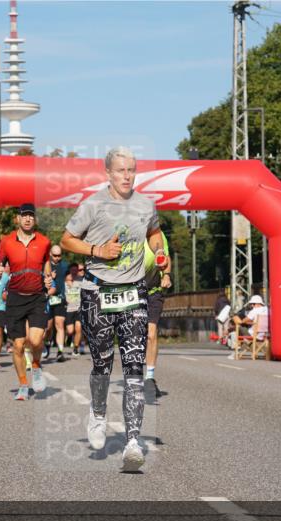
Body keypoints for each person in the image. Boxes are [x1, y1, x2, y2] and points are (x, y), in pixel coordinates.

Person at [60, 147, 166, 472]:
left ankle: (133, 442)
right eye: (120, 171)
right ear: (108, 173)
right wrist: (97, 250)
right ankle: (98, 411)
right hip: (97, 292)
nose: (126, 176)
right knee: (102, 364)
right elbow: (66, 240)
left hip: (134, 292)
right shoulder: (93, 204)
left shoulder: (146, 205)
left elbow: (155, 232)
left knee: (134, 367)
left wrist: (159, 250)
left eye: (131, 170)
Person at [0, 203, 52, 401]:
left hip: (37, 296)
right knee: (19, 345)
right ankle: (22, 384)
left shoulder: (44, 241)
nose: (28, 219)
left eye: (31, 216)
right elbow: (0, 265)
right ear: (17, 219)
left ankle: (36, 367)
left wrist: (48, 278)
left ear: (34, 219)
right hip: (15, 297)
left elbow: (47, 262)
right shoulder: (6, 242)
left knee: (36, 340)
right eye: (24, 215)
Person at [144, 230, 172, 396]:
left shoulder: (158, 235)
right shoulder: (126, 232)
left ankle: (149, 377)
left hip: (153, 290)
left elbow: (166, 259)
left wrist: (167, 275)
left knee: (151, 334)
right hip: (130, 290)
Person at [45, 244, 70, 363]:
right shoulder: (45, 265)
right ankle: (47, 343)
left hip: (60, 298)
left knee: (59, 324)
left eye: (59, 255)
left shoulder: (65, 265)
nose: (57, 258)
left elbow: (70, 278)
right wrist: (49, 276)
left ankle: (60, 352)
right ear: (50, 254)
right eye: (55, 255)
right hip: (47, 298)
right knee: (48, 327)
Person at [63, 264, 83, 357]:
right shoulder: (65, 280)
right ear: (70, 270)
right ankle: (69, 337)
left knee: (78, 328)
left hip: (79, 307)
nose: (74, 271)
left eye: (76, 270)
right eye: (73, 270)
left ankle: (75, 348)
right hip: (69, 308)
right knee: (70, 331)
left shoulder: (81, 279)